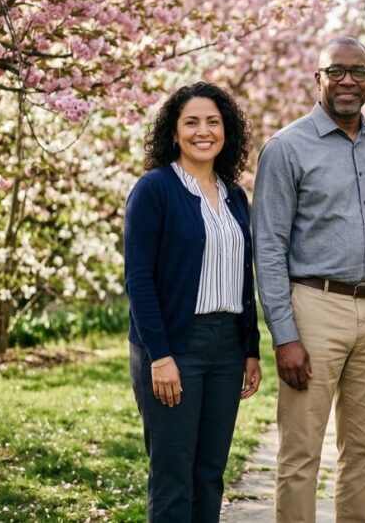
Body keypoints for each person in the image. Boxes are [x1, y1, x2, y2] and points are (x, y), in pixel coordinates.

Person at [252, 36, 365, 523]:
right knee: (301, 453)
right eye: (335, 71)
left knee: (364, 451)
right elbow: (269, 247)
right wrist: (284, 336)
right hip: (314, 308)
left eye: (358, 72)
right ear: (317, 78)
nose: (347, 80)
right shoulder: (285, 148)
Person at [124, 82, 262, 522]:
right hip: (173, 345)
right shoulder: (154, 189)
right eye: (191, 122)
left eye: (213, 122)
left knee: (209, 474)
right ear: (173, 132)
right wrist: (160, 356)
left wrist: (251, 349)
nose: (203, 131)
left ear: (227, 131)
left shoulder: (235, 195)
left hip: (226, 347)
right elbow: (139, 279)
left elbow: (244, 276)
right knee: (173, 475)